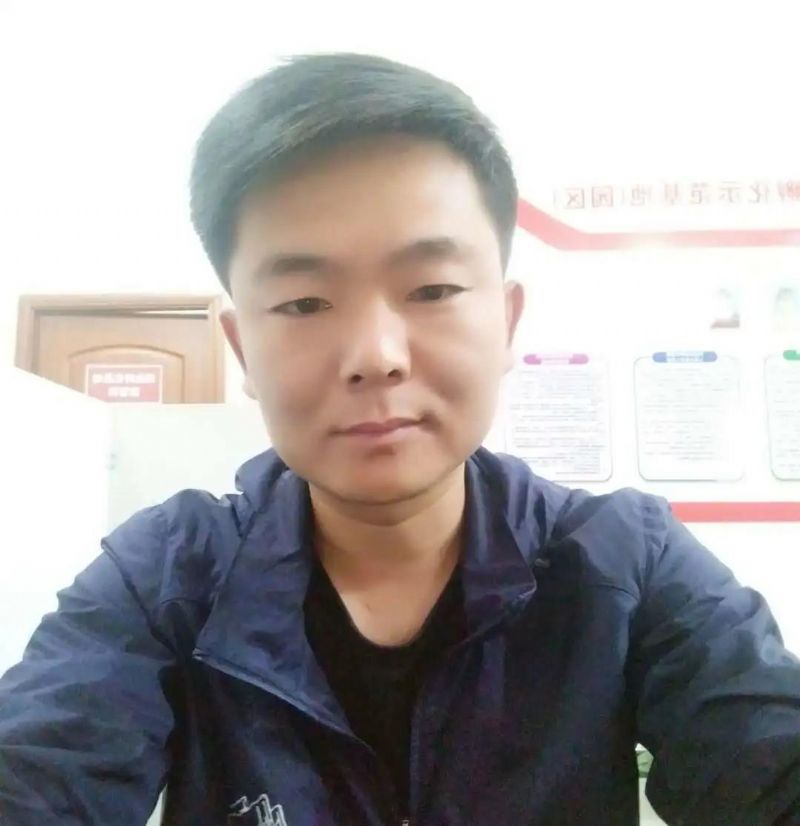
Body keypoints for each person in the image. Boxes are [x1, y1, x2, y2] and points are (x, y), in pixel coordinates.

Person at [2, 53, 800, 826]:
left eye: (433, 288)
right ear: (243, 349)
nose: (376, 356)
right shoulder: (165, 579)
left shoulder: (628, 564)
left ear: (506, 321)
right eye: (304, 303)